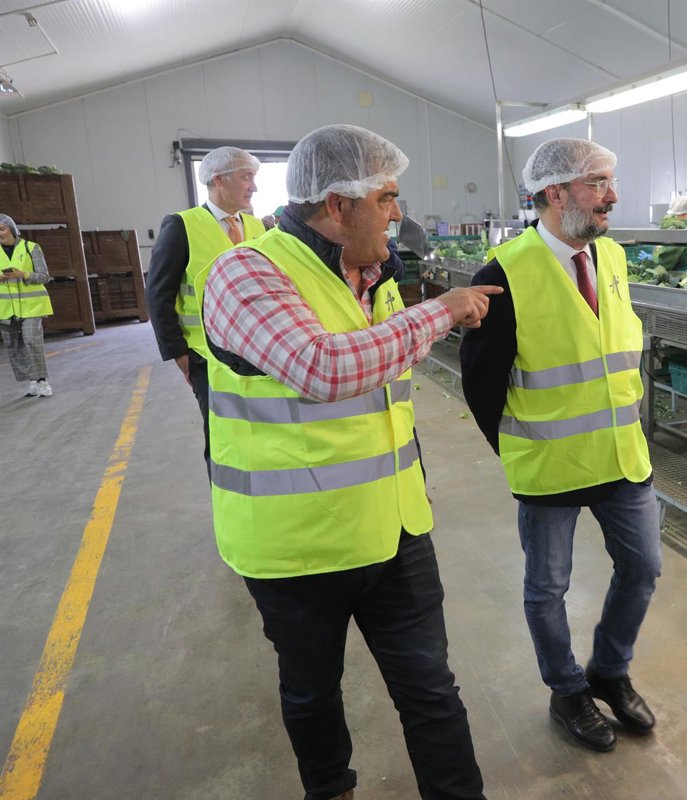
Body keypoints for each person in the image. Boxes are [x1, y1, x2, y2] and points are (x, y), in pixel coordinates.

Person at [201, 124, 499, 800]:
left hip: (394, 527)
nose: (397, 212)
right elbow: (322, 367)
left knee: (431, 689)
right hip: (298, 543)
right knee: (313, 693)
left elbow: (380, 377)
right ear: (338, 205)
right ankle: (331, 789)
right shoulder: (246, 272)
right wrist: (441, 313)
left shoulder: (373, 275)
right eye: (386, 197)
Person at [459, 137, 661, 754]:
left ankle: (609, 671)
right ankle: (567, 689)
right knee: (548, 589)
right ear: (555, 192)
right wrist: (522, 449)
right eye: (598, 183)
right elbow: (481, 384)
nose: (612, 196)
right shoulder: (503, 274)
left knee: (643, 568)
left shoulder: (613, 258)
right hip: (550, 464)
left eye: (610, 182)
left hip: (622, 455)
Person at [146, 146, 265, 467]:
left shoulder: (258, 228)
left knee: (260, 431)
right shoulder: (182, 226)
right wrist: (179, 354)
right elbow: (158, 294)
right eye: (246, 178)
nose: (254, 187)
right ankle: (227, 492)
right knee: (222, 435)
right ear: (219, 179)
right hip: (205, 356)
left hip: (258, 353)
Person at [0, 214, 52, 397]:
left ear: (12, 229)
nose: (0, 234)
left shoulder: (31, 248)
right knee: (14, 346)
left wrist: (23, 275)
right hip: (5, 309)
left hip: (32, 306)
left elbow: (44, 276)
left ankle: (42, 381)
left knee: (31, 340)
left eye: (2, 229)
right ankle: (32, 380)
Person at [653, 195, 687, 273]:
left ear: (679, 214)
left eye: (673, 215)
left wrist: (655, 254)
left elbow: (664, 264)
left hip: (681, 277)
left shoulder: (678, 232)